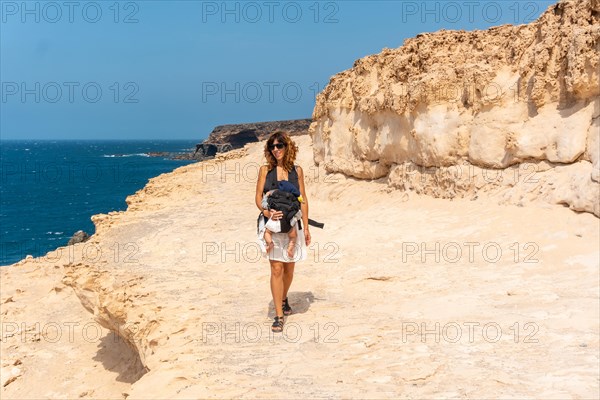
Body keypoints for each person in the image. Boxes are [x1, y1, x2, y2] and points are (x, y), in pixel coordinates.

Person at [255, 131, 311, 333]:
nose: (276, 150)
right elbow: (257, 197)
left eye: (280, 146)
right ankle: (279, 316)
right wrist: (267, 212)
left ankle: (284, 297)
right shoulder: (265, 170)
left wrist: (306, 227)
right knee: (276, 268)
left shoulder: (297, 171)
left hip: (292, 225)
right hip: (271, 224)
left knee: (289, 269)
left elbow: (303, 199)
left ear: (288, 147)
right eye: (272, 146)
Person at [261, 181, 303, 259]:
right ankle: (290, 248)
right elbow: (298, 213)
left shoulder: (274, 195)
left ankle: (270, 243)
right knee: (293, 236)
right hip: (288, 224)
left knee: (267, 232)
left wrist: (266, 197)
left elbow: (264, 204)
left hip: (275, 220)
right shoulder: (292, 199)